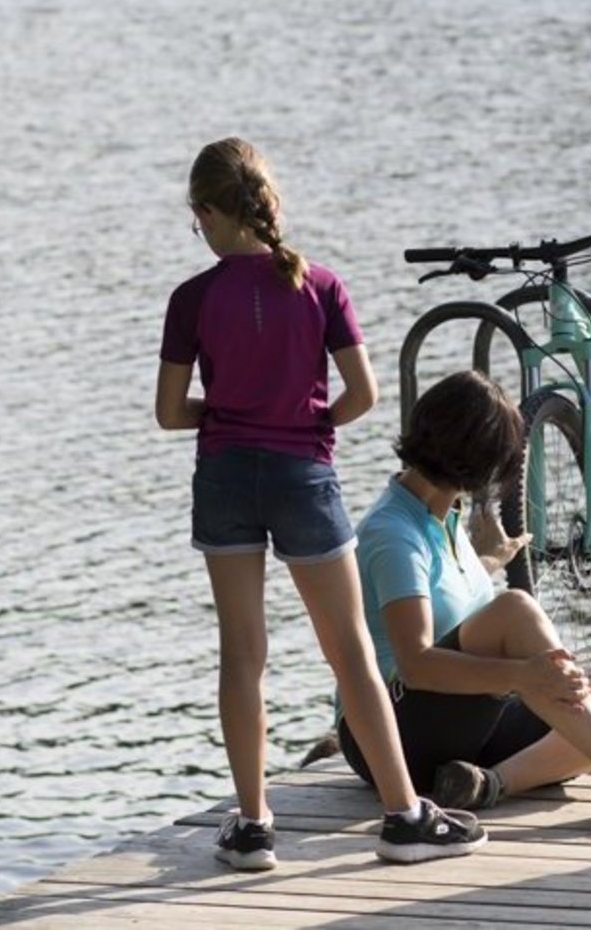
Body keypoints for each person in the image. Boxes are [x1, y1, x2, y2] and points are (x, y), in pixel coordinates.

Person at [156, 137, 486, 868]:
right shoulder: (321, 285)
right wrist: (307, 422)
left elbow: (169, 412)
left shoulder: (192, 298)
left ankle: (251, 826)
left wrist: (226, 412)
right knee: (353, 652)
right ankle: (403, 816)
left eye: (196, 218)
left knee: (243, 655)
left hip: (223, 477)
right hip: (304, 475)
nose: (198, 230)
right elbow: (363, 395)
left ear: (210, 211)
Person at [340, 370, 591, 826]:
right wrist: (525, 676)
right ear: (478, 466)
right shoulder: (394, 534)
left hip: (470, 724)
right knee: (514, 609)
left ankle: (487, 784)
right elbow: (416, 664)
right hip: (393, 734)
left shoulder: (444, 517)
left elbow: (439, 600)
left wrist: (487, 562)